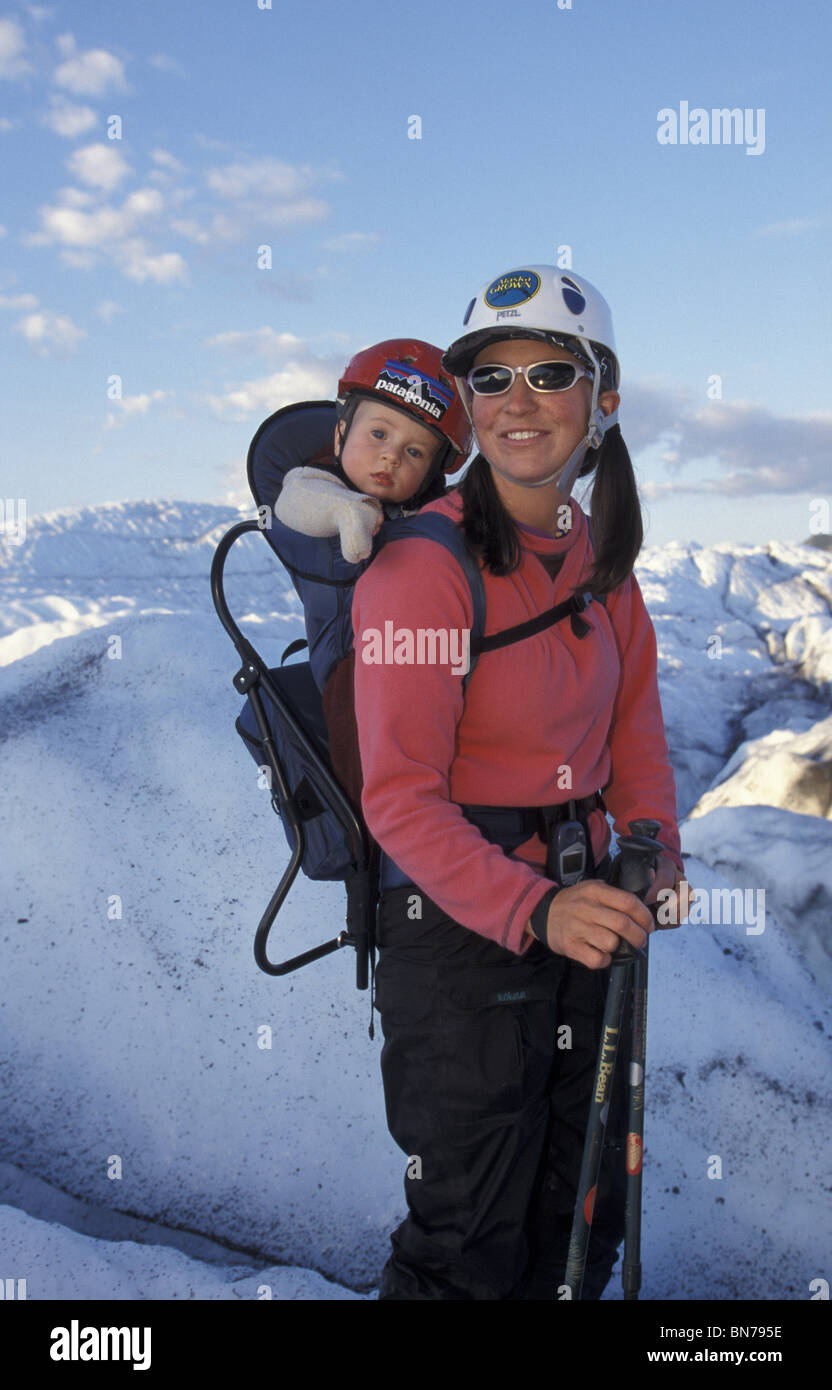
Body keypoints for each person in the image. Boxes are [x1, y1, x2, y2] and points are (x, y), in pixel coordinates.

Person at [351, 264, 693, 1300]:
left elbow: (633, 729)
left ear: (604, 400)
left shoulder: (601, 560)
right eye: (490, 381)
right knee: (469, 1229)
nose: (517, 402)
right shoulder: (423, 567)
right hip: (462, 930)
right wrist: (534, 910)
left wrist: (656, 849)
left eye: (551, 372)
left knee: (577, 1200)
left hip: (584, 903)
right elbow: (399, 796)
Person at [269, 338, 472, 811]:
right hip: (350, 663)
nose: (391, 457)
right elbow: (295, 502)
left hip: (419, 659)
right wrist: (347, 513)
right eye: (378, 435)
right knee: (361, 723)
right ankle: (380, 818)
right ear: (340, 435)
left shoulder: (426, 518)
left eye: (415, 452)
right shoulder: (317, 482)